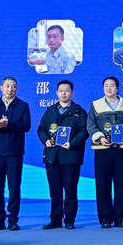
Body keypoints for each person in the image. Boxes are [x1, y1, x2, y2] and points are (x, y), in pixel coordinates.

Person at [0, 77, 31, 231]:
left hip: (15, 153)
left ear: (17, 89)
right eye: (7, 86)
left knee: (14, 188)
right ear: (1, 87)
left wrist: (9, 124)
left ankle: (13, 220)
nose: (10, 89)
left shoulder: (23, 105)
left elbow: (26, 126)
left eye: (13, 86)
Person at [37, 79, 88, 229]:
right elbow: (41, 129)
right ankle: (55, 220)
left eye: (67, 91)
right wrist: (46, 140)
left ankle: (70, 220)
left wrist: (72, 143)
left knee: (70, 190)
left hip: (71, 156)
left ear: (72, 92)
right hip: (52, 156)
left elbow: (84, 131)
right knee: (55, 190)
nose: (63, 93)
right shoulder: (50, 110)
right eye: (61, 91)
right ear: (57, 93)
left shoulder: (79, 112)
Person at [86, 76, 123, 228]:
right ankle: (105, 218)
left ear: (118, 88)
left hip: (121, 150)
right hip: (103, 150)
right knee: (102, 184)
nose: (109, 88)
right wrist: (100, 137)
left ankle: (121, 218)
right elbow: (90, 125)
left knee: (122, 184)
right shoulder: (96, 105)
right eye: (106, 86)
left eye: (112, 85)